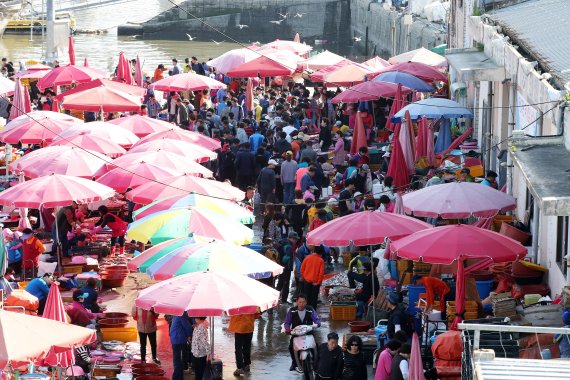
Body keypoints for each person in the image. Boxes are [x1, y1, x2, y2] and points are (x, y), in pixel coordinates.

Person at [284, 294, 322, 372]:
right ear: (297, 302)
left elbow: (316, 318)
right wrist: (287, 329)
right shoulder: (292, 310)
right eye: (300, 302)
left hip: (308, 333)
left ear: (306, 302)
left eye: (303, 302)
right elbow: (287, 322)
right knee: (291, 347)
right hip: (296, 334)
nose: (301, 304)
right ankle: (294, 362)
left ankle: (317, 363)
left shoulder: (310, 309)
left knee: (315, 346)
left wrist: (317, 323)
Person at [229, 311, 258, 376]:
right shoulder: (252, 303)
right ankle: (247, 365)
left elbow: (229, 312)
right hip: (249, 326)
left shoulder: (237, 303)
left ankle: (240, 368)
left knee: (238, 348)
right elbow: (257, 314)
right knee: (247, 347)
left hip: (239, 327)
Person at [276, 231, 300, 304]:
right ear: (291, 238)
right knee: (286, 284)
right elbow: (285, 258)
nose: (296, 241)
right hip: (286, 268)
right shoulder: (289, 246)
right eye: (295, 239)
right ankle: (284, 300)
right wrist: (287, 262)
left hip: (280, 267)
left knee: (280, 283)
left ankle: (275, 297)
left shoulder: (283, 242)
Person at [170, 313, 193, 380]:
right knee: (179, 360)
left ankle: (178, 376)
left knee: (177, 359)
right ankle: (177, 377)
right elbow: (187, 327)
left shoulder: (176, 315)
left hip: (175, 339)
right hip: (179, 339)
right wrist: (190, 335)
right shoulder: (181, 315)